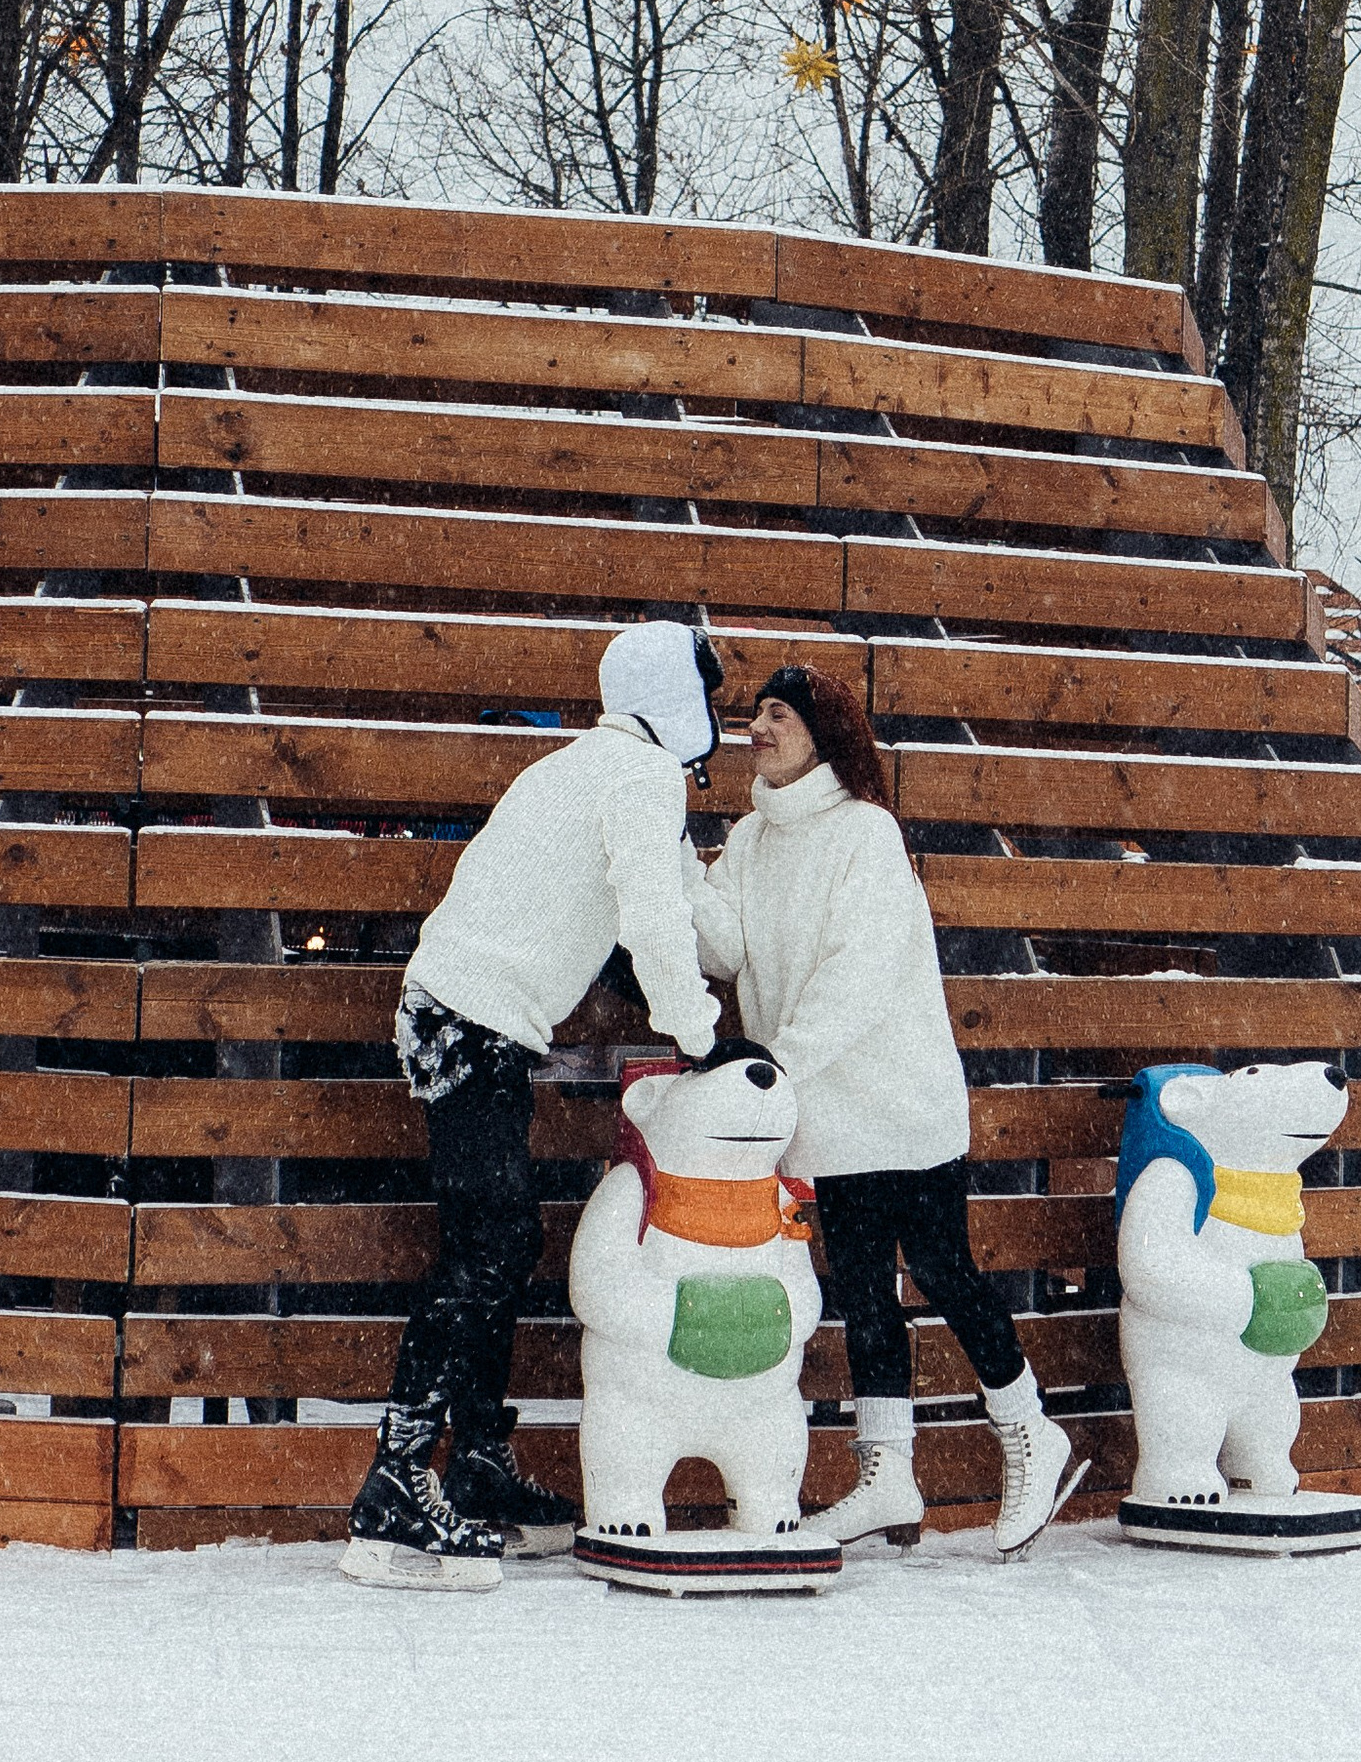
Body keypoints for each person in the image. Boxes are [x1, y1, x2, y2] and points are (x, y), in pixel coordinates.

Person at [344, 621, 724, 1590]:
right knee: (490, 1246)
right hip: (472, 1018)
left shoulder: (586, 766)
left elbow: (671, 901)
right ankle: (396, 1484)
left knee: (501, 1244)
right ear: (677, 697)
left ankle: (475, 1460)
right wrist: (703, 1035)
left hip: (460, 1015)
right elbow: (653, 922)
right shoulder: (639, 777)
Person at [690, 660, 1080, 1558]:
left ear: (822, 733)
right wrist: (674, 867)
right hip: (824, 1113)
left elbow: (857, 975)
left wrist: (778, 1064)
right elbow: (724, 948)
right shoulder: (751, 839)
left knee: (942, 1270)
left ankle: (1031, 1430)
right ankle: (888, 1474)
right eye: (756, 713)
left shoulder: (867, 833)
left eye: (780, 713)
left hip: (898, 1101)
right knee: (863, 1289)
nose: (760, 728)